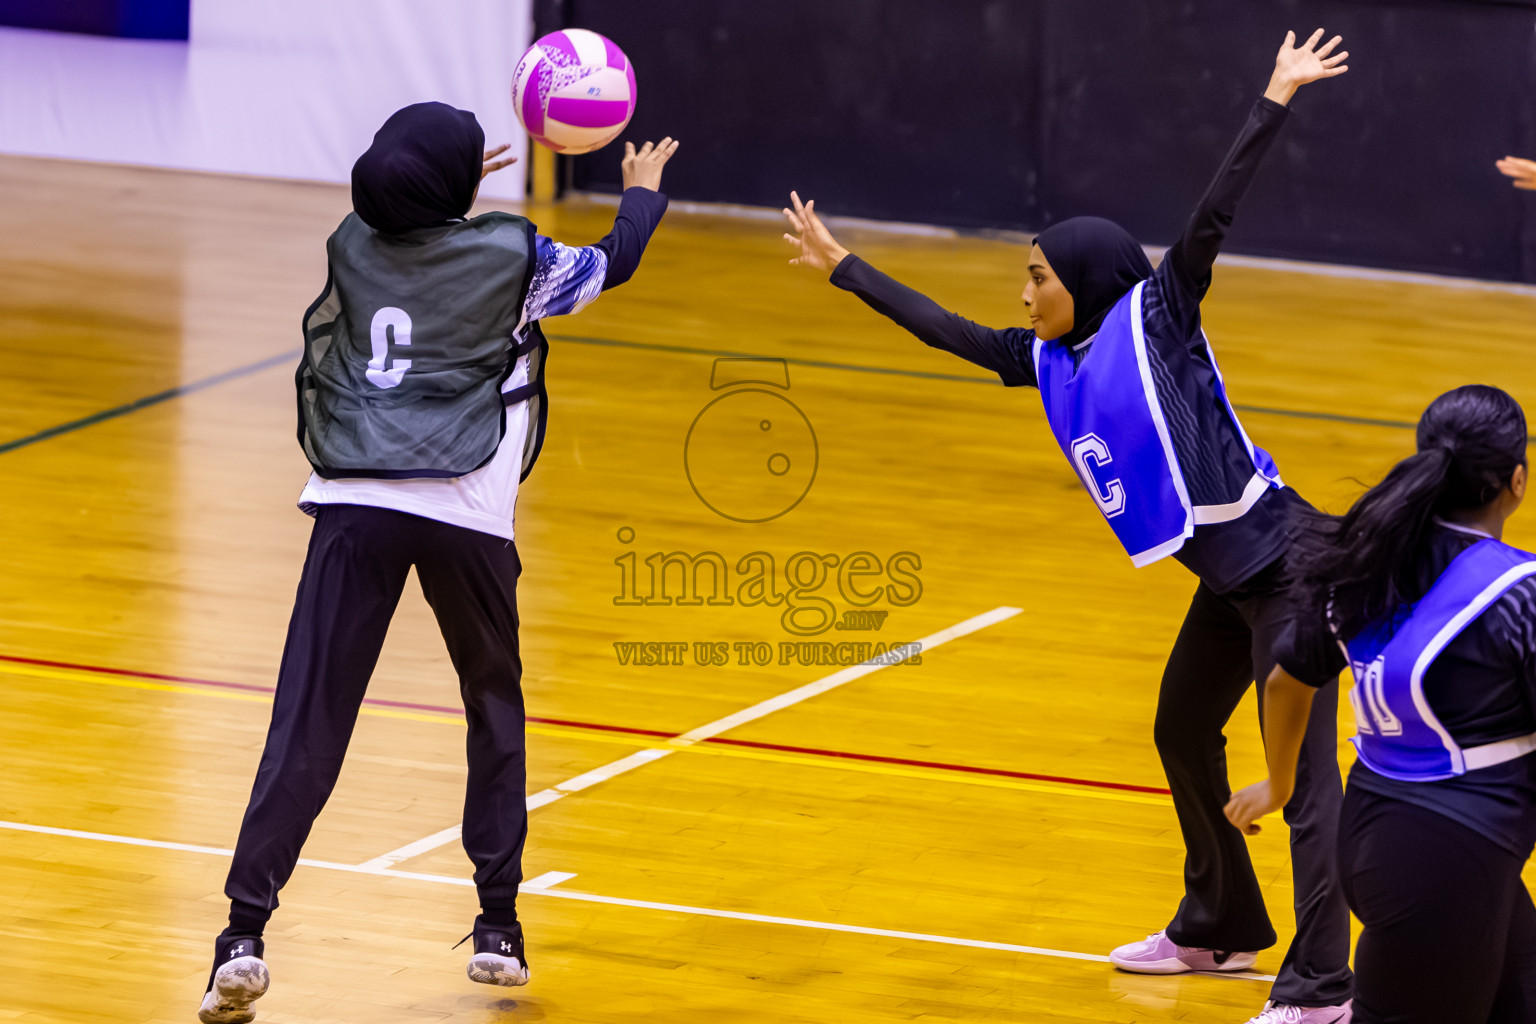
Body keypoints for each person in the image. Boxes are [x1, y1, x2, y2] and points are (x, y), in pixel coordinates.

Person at [782, 30, 1354, 1023]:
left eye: (1038, 275)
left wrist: (1274, 95)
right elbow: (946, 331)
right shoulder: (1054, 355)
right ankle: (1217, 924)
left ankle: (1323, 986)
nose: (1024, 291)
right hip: (1230, 581)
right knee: (1182, 728)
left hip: (1291, 569)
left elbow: (1211, 215)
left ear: (1082, 279)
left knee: (1300, 781)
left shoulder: (1160, 315)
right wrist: (844, 266)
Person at [196, 102, 679, 1024]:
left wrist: (451, 199)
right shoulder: (523, 258)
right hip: (465, 512)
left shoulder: (351, 243)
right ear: (453, 192)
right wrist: (641, 196)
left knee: (306, 724)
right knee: (493, 709)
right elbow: (609, 264)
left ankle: (241, 938)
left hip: (351, 507)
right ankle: (497, 928)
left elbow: (428, 248)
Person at [1228, 384, 1536, 1024]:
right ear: (1517, 482)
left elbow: (1287, 679)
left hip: (1378, 832)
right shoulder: (1517, 596)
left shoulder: (1364, 565)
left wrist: (1279, 783)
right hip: (1448, 860)